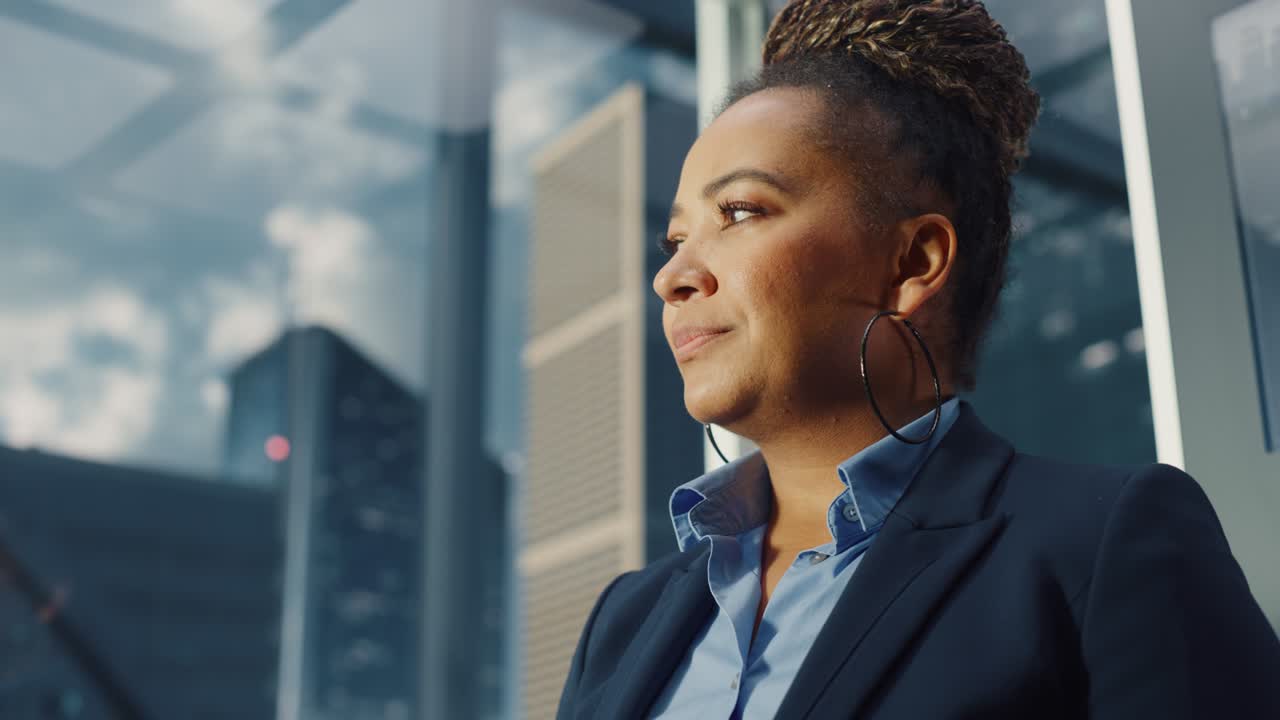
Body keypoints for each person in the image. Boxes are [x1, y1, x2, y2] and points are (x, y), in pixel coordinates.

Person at [554, 0, 1280, 718]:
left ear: (913, 261)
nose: (673, 276)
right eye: (674, 240)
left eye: (740, 212)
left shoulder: (1101, 545)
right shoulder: (624, 622)